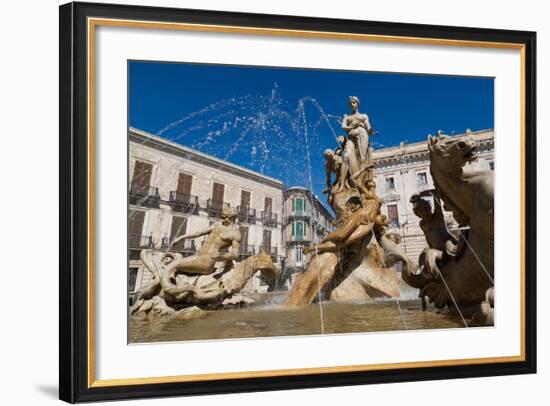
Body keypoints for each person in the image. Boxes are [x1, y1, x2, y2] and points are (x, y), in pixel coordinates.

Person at [160, 207, 241, 295]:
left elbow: (235, 254)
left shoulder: (235, 234)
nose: (223, 219)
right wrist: (181, 237)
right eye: (223, 217)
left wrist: (221, 257)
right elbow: (198, 233)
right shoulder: (217, 225)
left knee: (173, 265)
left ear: (232, 218)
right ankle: (172, 279)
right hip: (198, 257)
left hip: (206, 262)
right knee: (174, 264)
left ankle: (175, 288)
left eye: (225, 217)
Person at [303, 196, 385, 255]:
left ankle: (316, 247)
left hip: (361, 228)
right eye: (347, 208)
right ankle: (317, 245)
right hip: (359, 224)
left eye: (348, 207)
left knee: (341, 240)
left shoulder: (366, 209)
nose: (347, 210)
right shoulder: (368, 209)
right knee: (340, 238)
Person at [342, 96, 373, 166]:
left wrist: (370, 130)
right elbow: (343, 127)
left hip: (362, 134)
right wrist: (351, 127)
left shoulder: (363, 116)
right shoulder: (347, 117)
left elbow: (368, 127)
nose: (352, 104)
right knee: (347, 155)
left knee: (362, 156)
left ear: (357, 103)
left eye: (354, 102)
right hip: (351, 136)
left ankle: (363, 173)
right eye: (350, 104)